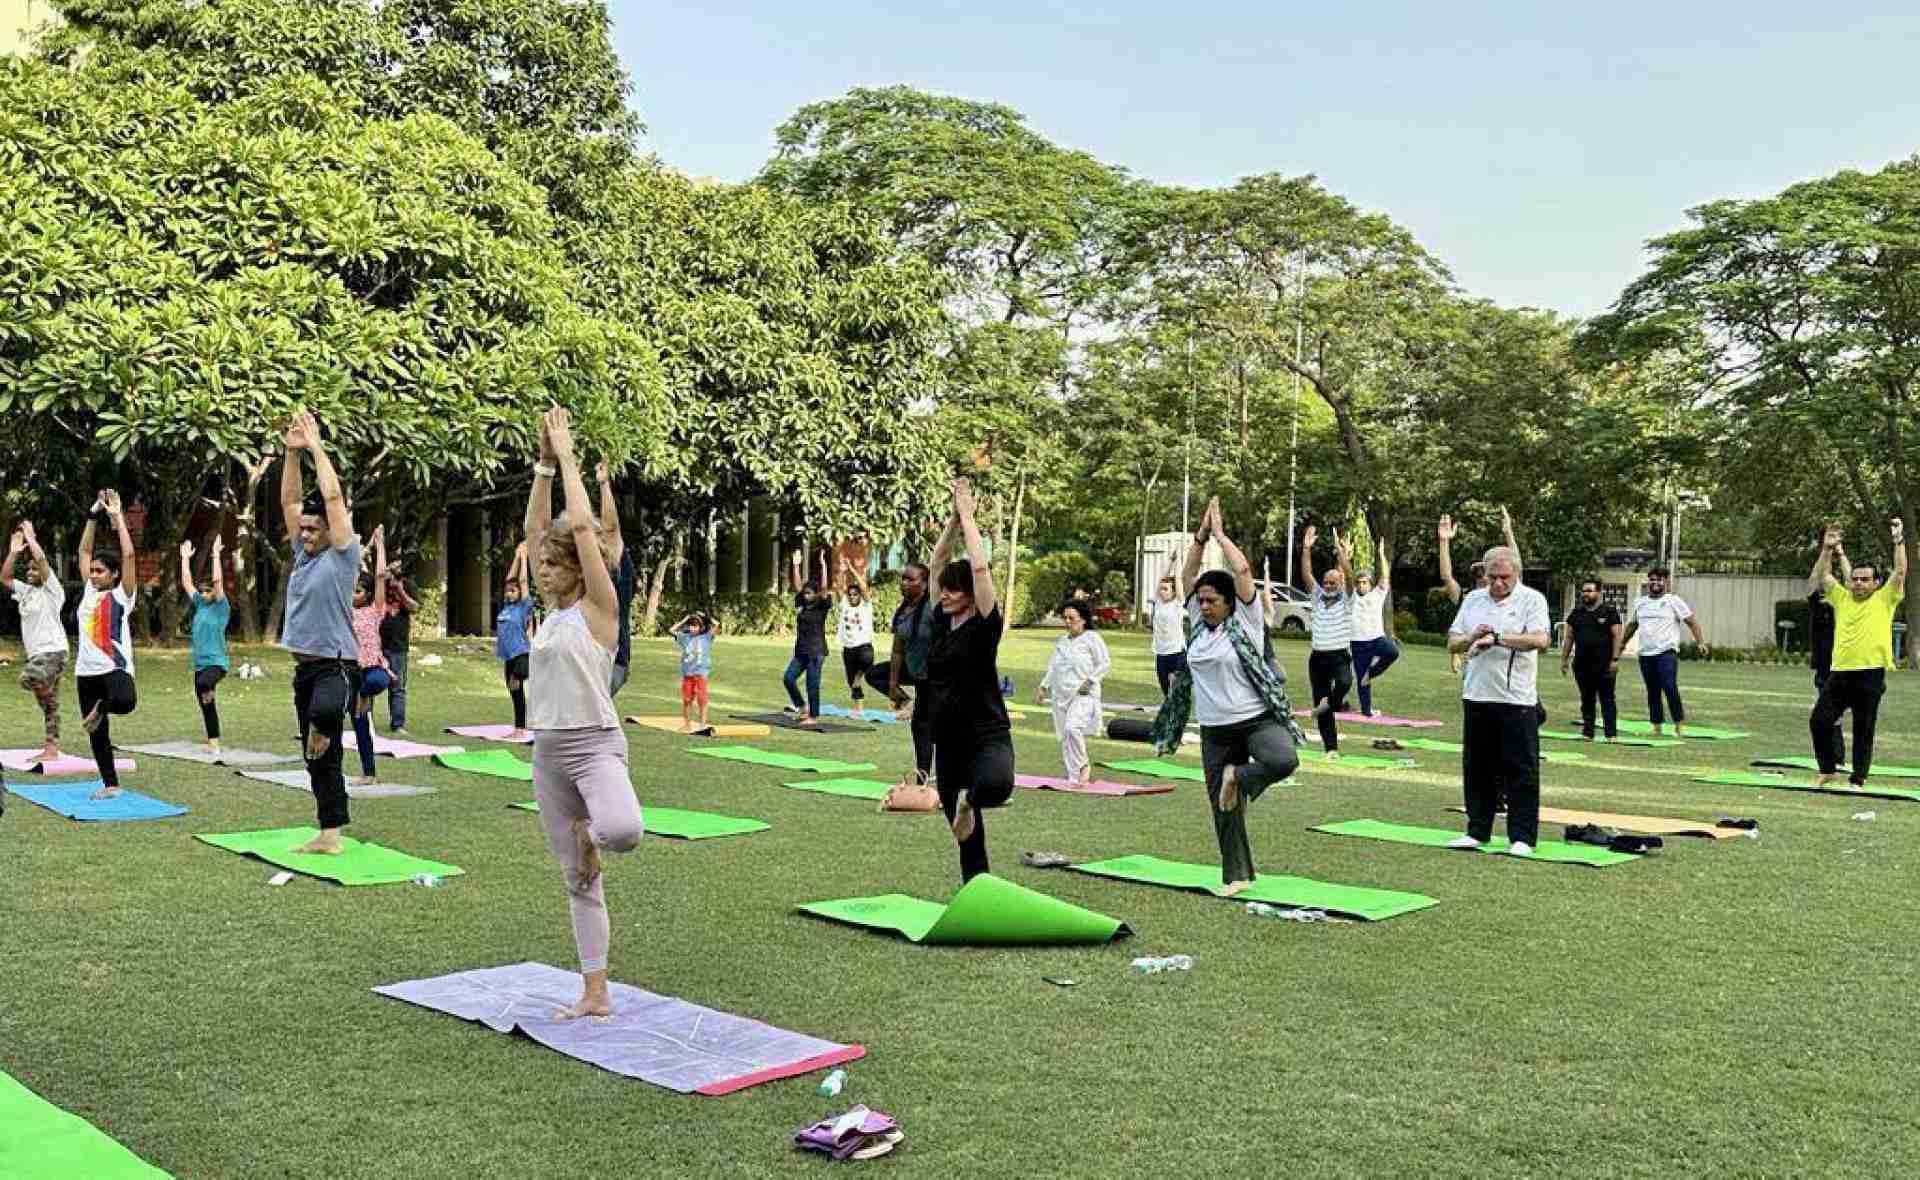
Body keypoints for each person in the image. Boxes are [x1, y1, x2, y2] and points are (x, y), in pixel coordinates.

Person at [523, 405, 642, 1019]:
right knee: (578, 881)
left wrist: (570, 458)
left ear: (577, 568)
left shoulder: (599, 609)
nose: (542, 569)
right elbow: (535, 529)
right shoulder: (546, 615)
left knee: (621, 832)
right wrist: (544, 464)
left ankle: (587, 833)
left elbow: (589, 539)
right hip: (547, 752)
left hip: (595, 745)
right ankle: (594, 992)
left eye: (553, 562)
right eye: (541, 562)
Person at [1159, 497, 1301, 895]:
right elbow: (1189, 573)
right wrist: (1200, 538)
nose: (1203, 606)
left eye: (1211, 601)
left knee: (1283, 759)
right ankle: (1236, 875)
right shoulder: (1199, 628)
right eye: (1200, 601)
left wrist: (1221, 535)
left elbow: (1241, 569)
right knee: (1224, 808)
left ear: (1229, 603)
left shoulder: (1248, 620)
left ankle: (1237, 776)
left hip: (1256, 719)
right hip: (1215, 729)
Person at [278, 409, 361, 855]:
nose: (305, 533)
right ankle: (330, 833)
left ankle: (321, 726)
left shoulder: (344, 555)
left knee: (326, 715)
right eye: (304, 529)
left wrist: (315, 446)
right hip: (304, 668)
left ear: (332, 530)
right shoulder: (304, 556)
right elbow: (290, 502)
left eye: (314, 529)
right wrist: (291, 454)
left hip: (337, 664)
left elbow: (332, 499)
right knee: (318, 758)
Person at [925, 477, 1016, 881]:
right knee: (965, 836)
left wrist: (968, 516)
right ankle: (975, 890)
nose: (944, 595)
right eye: (943, 591)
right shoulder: (941, 623)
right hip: (946, 738)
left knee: (997, 785)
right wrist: (951, 522)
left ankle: (969, 801)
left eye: (952, 591)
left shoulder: (983, 627)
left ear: (967, 594)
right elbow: (935, 564)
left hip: (986, 731)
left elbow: (979, 567)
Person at [1445, 546, 1551, 855]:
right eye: (1492, 577)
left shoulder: (1532, 600)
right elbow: (1453, 642)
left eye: (1504, 577)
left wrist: (1500, 638)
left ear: (1516, 573)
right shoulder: (1473, 600)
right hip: (1477, 694)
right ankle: (1477, 830)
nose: (1498, 583)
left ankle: (1522, 837)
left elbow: (1540, 640)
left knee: (1521, 767)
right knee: (1477, 766)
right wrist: (1472, 637)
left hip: (1516, 698)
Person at [1809, 521, 1906, 788]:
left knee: (1864, 729)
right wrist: (1828, 549)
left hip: (1871, 673)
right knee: (1820, 720)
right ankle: (1827, 769)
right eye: (1855, 579)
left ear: (1876, 583)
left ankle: (1858, 778)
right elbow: (1824, 577)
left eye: (1865, 580)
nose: (1859, 583)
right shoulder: (1841, 597)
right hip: (1840, 673)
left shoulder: (1885, 599)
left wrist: (1898, 541)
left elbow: (1899, 571)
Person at [867, 524, 955, 782]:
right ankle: (924, 772)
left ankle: (932, 773)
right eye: (903, 578)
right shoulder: (904, 609)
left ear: (926, 583)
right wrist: (894, 685)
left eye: (910, 579)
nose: (904, 583)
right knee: (874, 674)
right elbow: (897, 649)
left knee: (927, 725)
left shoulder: (934, 606)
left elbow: (941, 562)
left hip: (937, 676)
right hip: (915, 670)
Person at [1614, 566, 1707, 737]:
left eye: (1659, 579)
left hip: (1666, 652)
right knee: (1653, 690)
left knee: (1669, 687)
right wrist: (1621, 646)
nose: (1655, 583)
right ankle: (1656, 726)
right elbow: (1632, 626)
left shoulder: (1673, 601)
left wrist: (1700, 642)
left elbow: (1691, 621)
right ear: (1648, 582)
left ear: (1666, 582)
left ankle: (1679, 725)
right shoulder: (1640, 603)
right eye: (1652, 579)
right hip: (1646, 654)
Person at [7, 521, 67, 764]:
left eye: (35, 569)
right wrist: (13, 551)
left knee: (28, 678)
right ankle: (51, 748)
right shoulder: (26, 591)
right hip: (37, 656)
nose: (31, 572)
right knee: (48, 705)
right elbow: (5, 577)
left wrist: (31, 539)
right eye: (28, 569)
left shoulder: (53, 591)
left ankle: (47, 694)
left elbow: (42, 561)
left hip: (53, 652)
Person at [1037, 599, 1111, 785]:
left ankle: (1083, 765)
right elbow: (1053, 666)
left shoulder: (1092, 638)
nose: (1068, 622)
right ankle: (1074, 775)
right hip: (1060, 694)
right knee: (1064, 735)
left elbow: (1104, 663)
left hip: (1083, 694)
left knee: (1072, 728)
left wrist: (1091, 680)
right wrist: (1043, 686)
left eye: (1072, 618)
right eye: (1065, 618)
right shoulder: (1062, 641)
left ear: (1083, 619)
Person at [1297, 524, 1356, 753]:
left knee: (1344, 683)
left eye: (1333, 582)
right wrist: (1306, 548)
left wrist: (1341, 552)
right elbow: (1306, 574)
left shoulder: (1347, 599)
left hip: (1339, 654)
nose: (1329, 585)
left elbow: (1350, 575)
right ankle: (1330, 748)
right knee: (1320, 699)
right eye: (1327, 582)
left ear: (1340, 584)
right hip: (1318, 656)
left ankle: (1328, 704)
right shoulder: (1317, 597)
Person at [345, 527, 392, 786]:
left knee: (379, 682)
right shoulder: (344, 610)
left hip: (373, 671)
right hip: (351, 671)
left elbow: (380, 576)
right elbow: (345, 570)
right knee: (360, 724)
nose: (354, 595)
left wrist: (380, 545)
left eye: (359, 591)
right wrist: (360, 549)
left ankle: (364, 696)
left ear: (369, 595)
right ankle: (369, 773)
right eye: (352, 591)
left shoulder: (376, 610)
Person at [180, 536, 231, 755]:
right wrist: (184, 559)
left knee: (204, 685)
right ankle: (213, 743)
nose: (204, 593)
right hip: (200, 665)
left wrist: (216, 555)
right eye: (202, 591)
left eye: (208, 590)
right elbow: (186, 583)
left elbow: (218, 582)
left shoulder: (221, 607)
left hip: (217, 664)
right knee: (206, 704)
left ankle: (208, 690)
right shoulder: (200, 605)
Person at [1806, 536, 1851, 770]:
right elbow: (1815, 579)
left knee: (1835, 713)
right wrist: (1825, 551)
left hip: (1847, 663)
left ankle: (1838, 759)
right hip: (1825, 664)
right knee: (1828, 714)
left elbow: (1852, 580)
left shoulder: (1845, 602)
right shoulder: (1816, 600)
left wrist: (1841, 553)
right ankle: (1835, 759)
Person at [1559, 578, 1623, 741]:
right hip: (1581, 664)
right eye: (1584, 591)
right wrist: (1564, 659)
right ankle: (1588, 733)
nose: (1585, 594)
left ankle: (1611, 734)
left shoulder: (1609, 612)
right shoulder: (1577, 613)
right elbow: (1569, 637)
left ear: (1598, 593)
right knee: (1586, 699)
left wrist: (1615, 659)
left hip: (1604, 665)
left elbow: (1617, 636)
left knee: (1607, 699)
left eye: (1589, 590)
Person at [596, 461, 636, 696]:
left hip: (612, 661)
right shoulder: (579, 575)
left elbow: (611, 531)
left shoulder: (617, 575)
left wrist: (603, 485)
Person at [1348, 538, 1400, 716]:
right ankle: (1366, 711)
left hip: (1376, 639)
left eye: (1365, 582)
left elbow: (1385, 576)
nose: (1362, 585)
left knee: (1392, 652)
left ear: (1370, 584)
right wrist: (1345, 555)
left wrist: (1381, 554)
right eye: (1359, 582)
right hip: (1357, 643)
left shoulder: (1377, 595)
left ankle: (1371, 672)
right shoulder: (1352, 598)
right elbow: (1346, 574)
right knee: (1362, 680)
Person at [782, 549, 833, 726]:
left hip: (816, 652)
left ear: (816, 594)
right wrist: (796, 565)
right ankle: (802, 707)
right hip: (801, 651)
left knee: (812, 684)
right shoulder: (802, 603)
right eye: (805, 593)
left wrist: (823, 565)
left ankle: (814, 716)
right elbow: (797, 586)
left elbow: (825, 588)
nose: (805, 595)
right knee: (788, 678)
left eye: (809, 593)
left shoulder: (822, 605)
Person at [496, 542, 536, 741]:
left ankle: (521, 729)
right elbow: (510, 579)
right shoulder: (506, 608)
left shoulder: (523, 607)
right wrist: (516, 555)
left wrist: (524, 558)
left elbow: (521, 580)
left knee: (516, 686)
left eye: (513, 591)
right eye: (508, 591)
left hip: (521, 654)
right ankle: (519, 727)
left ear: (520, 593)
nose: (509, 593)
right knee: (514, 692)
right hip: (508, 656)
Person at [380, 569, 419, 736]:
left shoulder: (407, 584)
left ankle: (397, 724)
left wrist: (400, 590)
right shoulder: (378, 584)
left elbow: (414, 607)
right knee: (366, 684)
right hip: (375, 645)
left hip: (398, 647)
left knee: (397, 687)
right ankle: (364, 722)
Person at [836, 557, 876, 718]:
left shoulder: (866, 605)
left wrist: (852, 569)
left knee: (866, 663)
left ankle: (859, 676)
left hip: (864, 646)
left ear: (859, 595)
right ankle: (858, 709)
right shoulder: (844, 604)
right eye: (850, 594)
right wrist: (842, 571)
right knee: (851, 682)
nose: (852, 597)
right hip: (848, 648)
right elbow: (839, 587)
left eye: (855, 594)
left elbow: (863, 586)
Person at [669, 612, 715, 730]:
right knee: (687, 700)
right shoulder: (685, 637)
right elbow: (671, 630)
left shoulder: (706, 637)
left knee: (702, 700)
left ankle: (702, 724)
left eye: (695, 626)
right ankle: (687, 724)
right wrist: (684, 620)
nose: (692, 628)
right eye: (691, 626)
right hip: (687, 674)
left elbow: (716, 625)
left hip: (700, 674)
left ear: (700, 627)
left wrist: (706, 616)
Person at [1148, 573, 1188, 697]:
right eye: (1161, 588)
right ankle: (1170, 715)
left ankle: (1178, 716)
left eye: (1166, 589)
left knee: (1176, 692)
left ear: (1174, 592)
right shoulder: (1158, 603)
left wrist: (1178, 561)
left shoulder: (1177, 604)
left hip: (1177, 653)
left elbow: (1179, 582)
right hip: (1161, 654)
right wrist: (1170, 560)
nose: (1162, 591)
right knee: (1166, 693)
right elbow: (1162, 577)